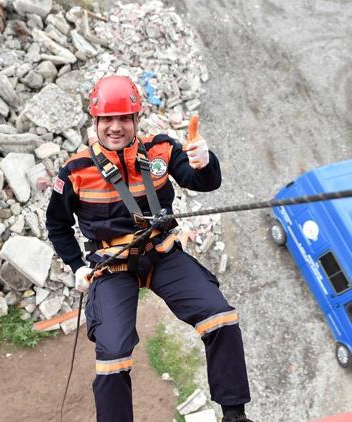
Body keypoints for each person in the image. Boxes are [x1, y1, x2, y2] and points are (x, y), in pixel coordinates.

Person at [46, 75, 251, 422]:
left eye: (124, 118)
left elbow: (202, 182)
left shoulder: (159, 150)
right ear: (95, 121)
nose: (116, 127)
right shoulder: (76, 171)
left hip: (161, 254)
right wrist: (76, 265)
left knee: (221, 317)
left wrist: (205, 162)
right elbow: (57, 224)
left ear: (136, 120)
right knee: (113, 354)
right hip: (112, 266)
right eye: (107, 119)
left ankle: (234, 414)